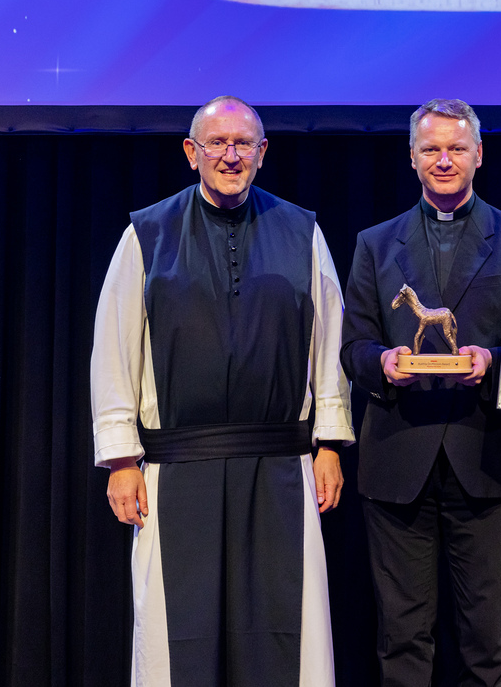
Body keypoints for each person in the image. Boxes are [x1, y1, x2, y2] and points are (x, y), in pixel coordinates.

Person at [92, 96, 354, 686]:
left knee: (287, 632)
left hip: (282, 464)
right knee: (174, 634)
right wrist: (120, 458)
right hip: (176, 467)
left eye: (243, 144)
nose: (230, 155)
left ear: (263, 154)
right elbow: (113, 346)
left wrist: (330, 444)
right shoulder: (147, 235)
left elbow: (330, 340)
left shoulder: (301, 232)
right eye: (217, 143)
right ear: (192, 152)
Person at [340, 98, 501, 686]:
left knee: (488, 643)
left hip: (486, 457)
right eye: (431, 149)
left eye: (456, 148)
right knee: (402, 641)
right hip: (396, 462)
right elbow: (352, 345)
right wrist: (382, 361)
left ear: (478, 154)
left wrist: (494, 360)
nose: (443, 160)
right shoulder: (374, 243)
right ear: (411, 159)